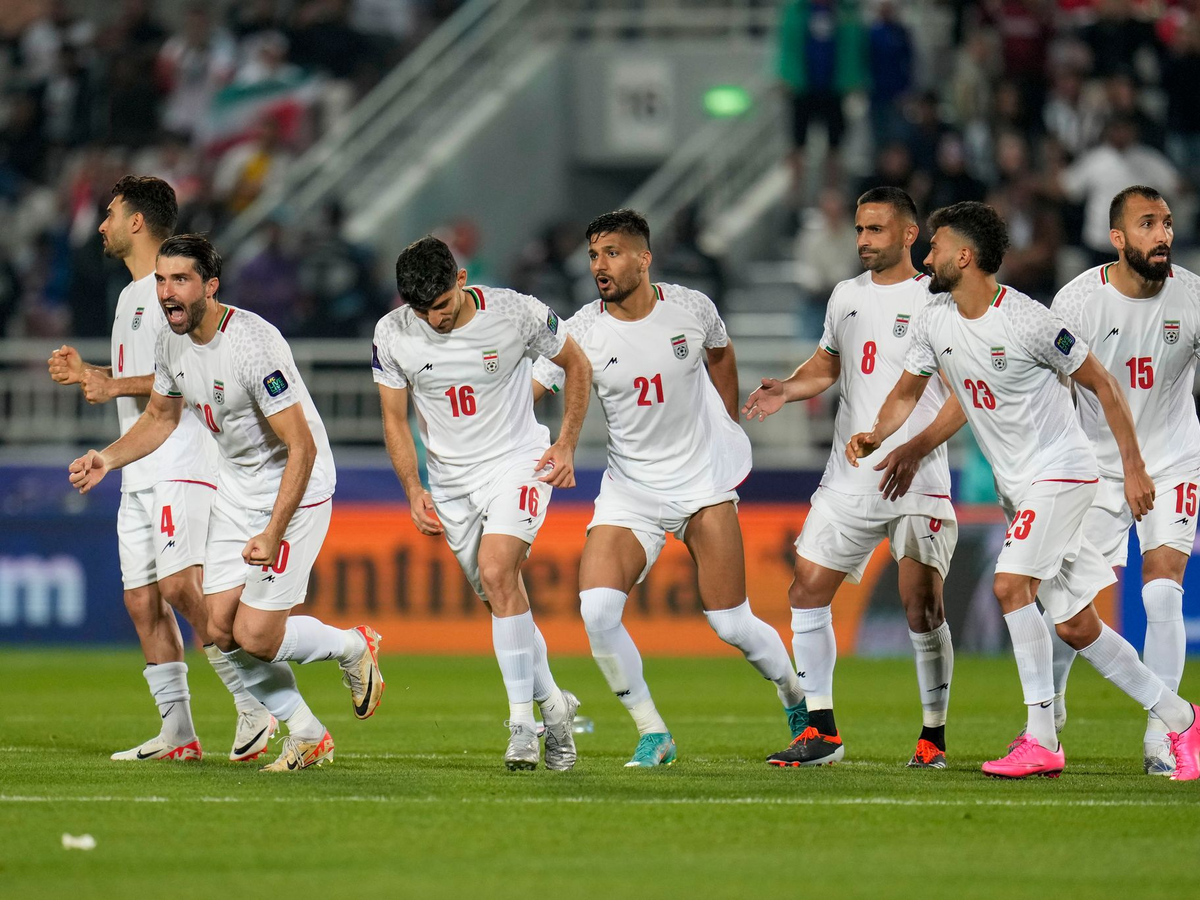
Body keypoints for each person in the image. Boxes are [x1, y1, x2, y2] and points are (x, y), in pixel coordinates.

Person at [847, 201, 1200, 780]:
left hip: (1063, 471)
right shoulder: (935, 319)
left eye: (936, 246)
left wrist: (1133, 467)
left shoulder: (1030, 321)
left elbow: (1104, 384)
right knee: (1075, 624)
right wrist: (880, 435)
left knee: (1010, 584)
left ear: (965, 256)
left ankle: (1042, 737)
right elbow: (908, 392)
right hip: (1021, 486)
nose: (926, 257)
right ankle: (1181, 717)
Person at [68, 234, 383, 773]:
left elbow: (301, 445)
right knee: (217, 629)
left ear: (210, 286)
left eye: (181, 280)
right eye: (161, 280)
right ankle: (308, 733)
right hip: (238, 489)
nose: (167, 292)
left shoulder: (253, 345)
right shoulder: (171, 342)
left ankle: (353, 646)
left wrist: (274, 532)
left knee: (256, 636)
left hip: (296, 489)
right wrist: (108, 458)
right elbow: (160, 416)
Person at [532, 209, 806, 768]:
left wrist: (723, 422)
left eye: (612, 253)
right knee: (597, 610)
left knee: (731, 623)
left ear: (644, 258)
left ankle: (797, 700)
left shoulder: (691, 308)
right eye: (593, 255)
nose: (600, 266)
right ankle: (653, 732)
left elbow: (721, 352)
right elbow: (532, 390)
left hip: (702, 485)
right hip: (631, 490)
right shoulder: (580, 330)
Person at [48, 176, 274, 764]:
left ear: (137, 222)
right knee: (142, 602)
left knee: (180, 588)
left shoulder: (173, 291)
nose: (101, 225)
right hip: (137, 464)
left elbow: (186, 374)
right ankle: (178, 734)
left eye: (110, 214)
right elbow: (146, 376)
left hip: (181, 455)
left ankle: (255, 701)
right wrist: (91, 374)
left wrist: (110, 384)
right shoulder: (130, 297)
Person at [744, 187, 961, 769]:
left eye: (876, 229)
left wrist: (916, 447)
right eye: (860, 229)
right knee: (806, 588)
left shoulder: (938, 300)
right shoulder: (846, 295)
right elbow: (828, 364)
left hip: (916, 474)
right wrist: (788, 388)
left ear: (909, 235)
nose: (863, 240)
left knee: (922, 607)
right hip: (850, 474)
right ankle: (822, 732)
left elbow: (962, 394)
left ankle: (933, 736)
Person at [373, 235, 591, 770]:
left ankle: (521, 727)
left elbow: (577, 364)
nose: (436, 318)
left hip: (517, 461)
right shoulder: (392, 333)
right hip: (450, 484)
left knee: (497, 571)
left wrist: (566, 443)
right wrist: (413, 488)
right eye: (422, 310)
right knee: (501, 597)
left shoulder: (515, 312)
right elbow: (394, 419)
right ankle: (555, 707)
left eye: (442, 304)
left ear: (462, 279)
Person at [1048, 185, 1200, 776]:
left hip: (1174, 460)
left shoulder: (1192, 296)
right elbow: (1050, 389)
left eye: (1167, 223)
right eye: (1147, 224)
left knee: (1162, 591)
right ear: (1117, 238)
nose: (1163, 235)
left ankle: (1163, 737)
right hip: (1098, 466)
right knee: (1068, 602)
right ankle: (1049, 712)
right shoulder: (1078, 302)